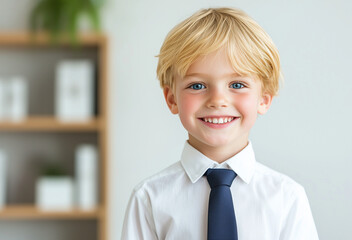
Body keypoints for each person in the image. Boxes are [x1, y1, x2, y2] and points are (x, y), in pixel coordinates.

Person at [121, 7, 319, 240]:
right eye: (197, 85)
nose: (217, 100)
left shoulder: (287, 198)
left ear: (264, 99)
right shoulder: (149, 199)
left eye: (236, 85)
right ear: (172, 99)